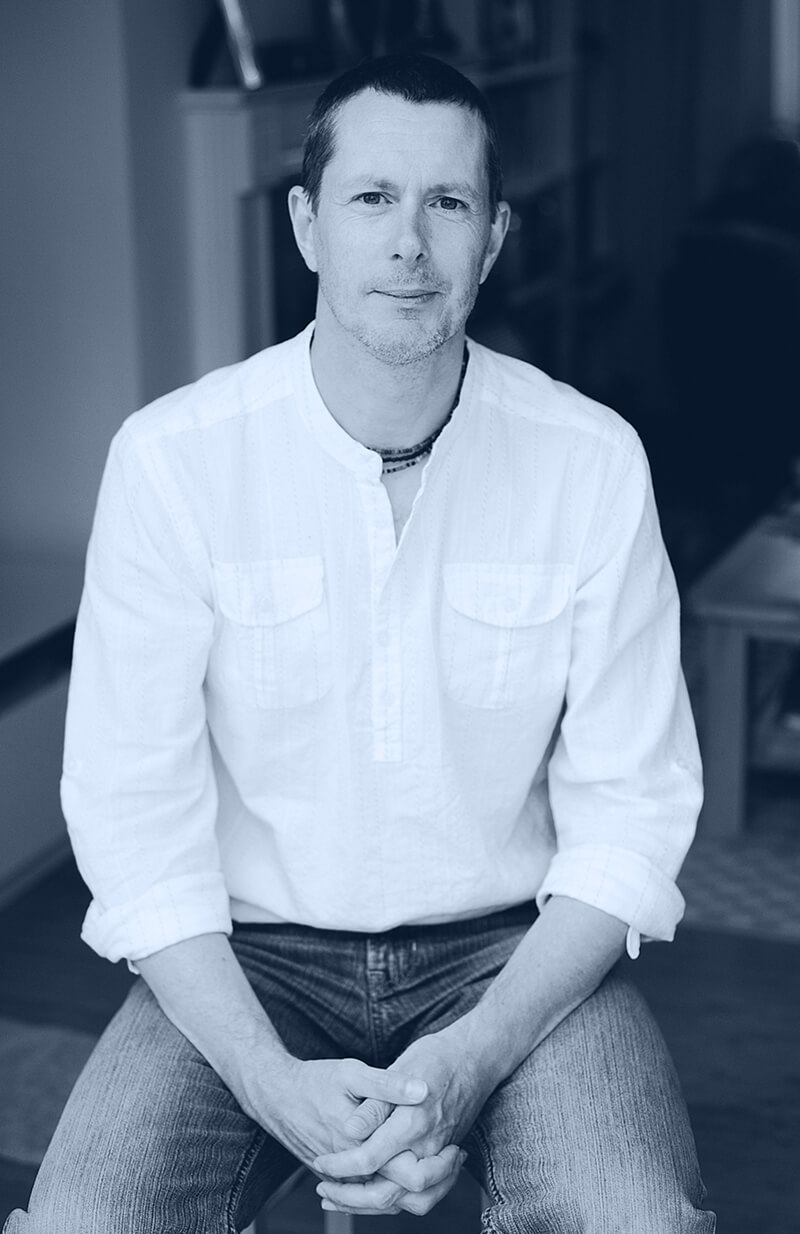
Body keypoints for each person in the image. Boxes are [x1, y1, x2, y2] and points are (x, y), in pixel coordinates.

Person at [5, 53, 715, 1233]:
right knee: (86, 1221)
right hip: (249, 957)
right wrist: (266, 1080)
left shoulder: (590, 463)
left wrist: (473, 1058)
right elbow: (132, 817)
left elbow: (631, 813)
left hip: (510, 950)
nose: (408, 243)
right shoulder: (173, 462)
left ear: (492, 239)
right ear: (307, 225)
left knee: (634, 1216)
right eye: (372, 198)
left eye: (447, 203)